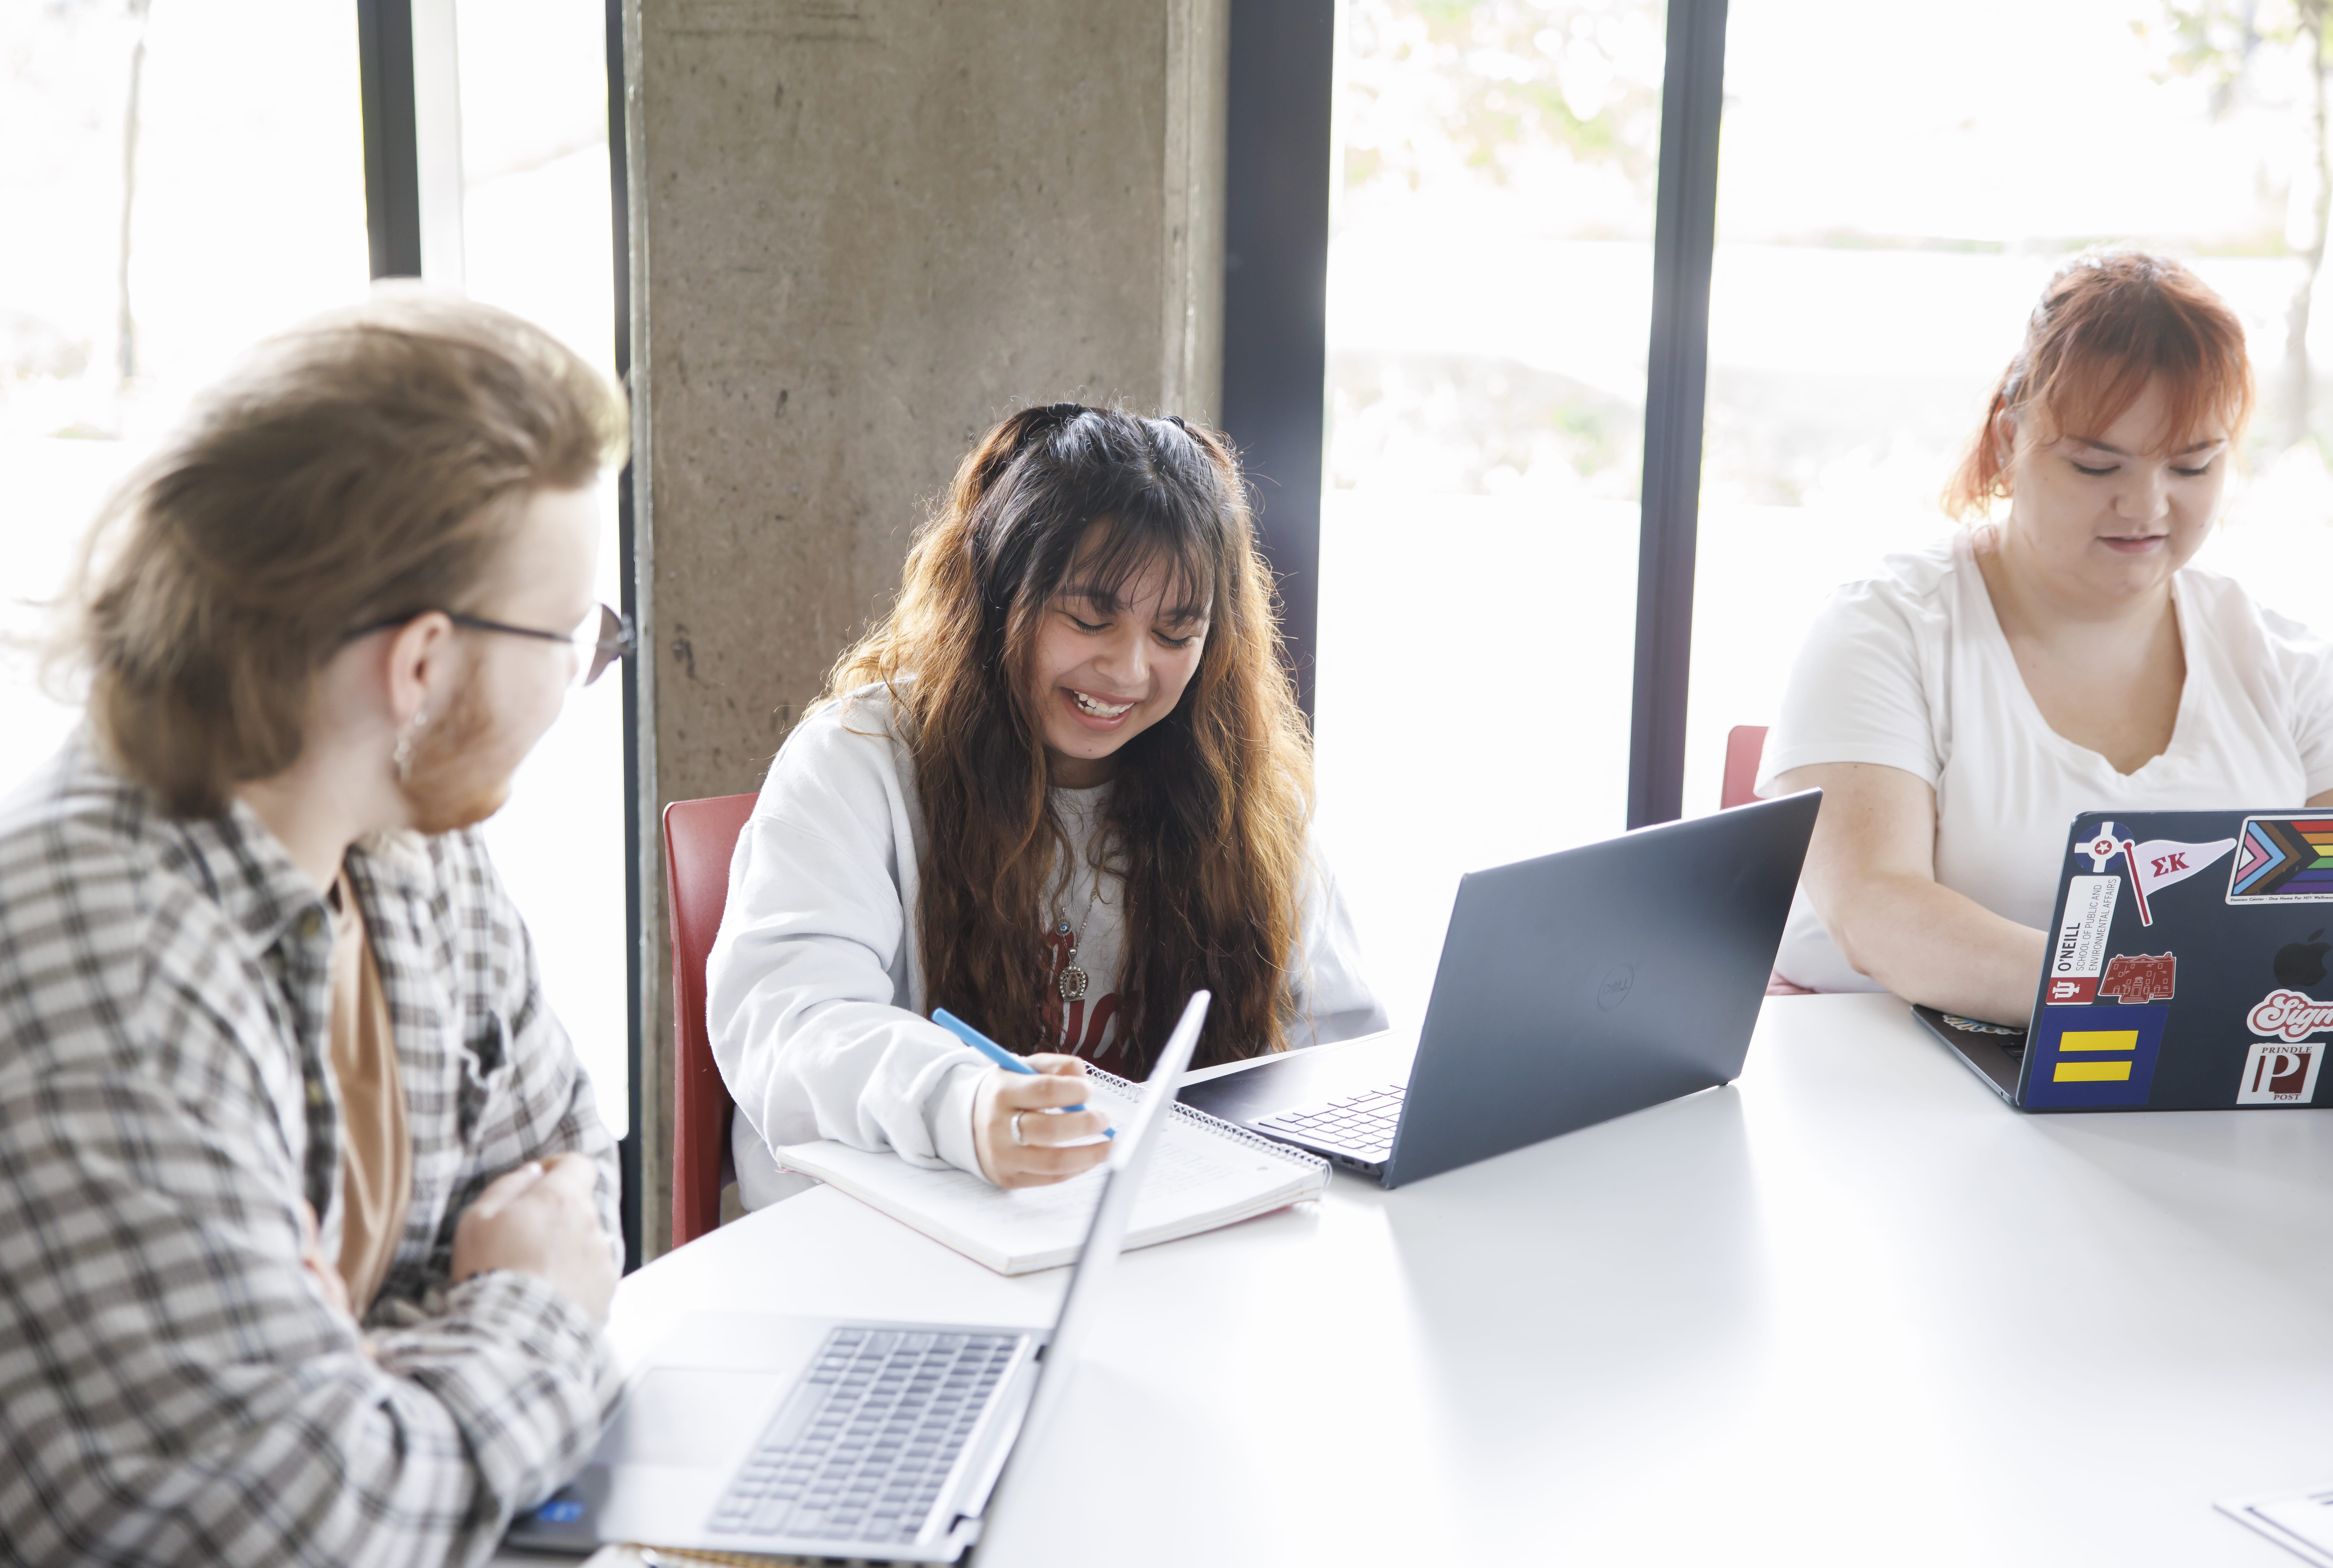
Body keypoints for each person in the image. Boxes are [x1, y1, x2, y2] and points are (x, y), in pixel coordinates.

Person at [0, 294, 635, 1564]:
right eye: (572, 640)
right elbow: (303, 1524)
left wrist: (371, 1383)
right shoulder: (107, 970)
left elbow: (568, 1185)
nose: (584, 671)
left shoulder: (414, 846)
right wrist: (519, 1313)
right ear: (421, 666)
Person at [707, 403, 1384, 1204]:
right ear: (998, 594)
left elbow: (1340, 1040)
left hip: (1154, 1239)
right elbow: (792, 1025)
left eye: (1175, 634)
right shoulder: (860, 759)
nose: (1128, 671)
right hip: (894, 1237)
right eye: (1089, 618)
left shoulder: (1233, 784)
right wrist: (961, 1104)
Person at [1759, 250, 2333, 1024]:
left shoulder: (2290, 668)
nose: (2147, 507)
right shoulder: (1887, 630)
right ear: (2011, 441)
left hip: (2199, 1104)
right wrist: (2162, 997)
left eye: (2192, 466)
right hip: (1888, 1093)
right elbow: (1877, 911)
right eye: (2096, 466)